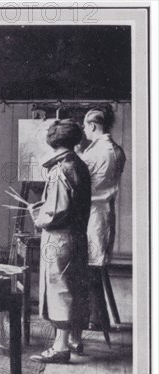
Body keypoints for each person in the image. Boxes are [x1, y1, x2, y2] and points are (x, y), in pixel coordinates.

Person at [29, 119, 91, 364]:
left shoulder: (61, 168)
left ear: (52, 141)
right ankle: (75, 339)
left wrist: (39, 217)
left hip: (60, 238)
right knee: (74, 286)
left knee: (60, 289)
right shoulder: (79, 164)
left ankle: (60, 347)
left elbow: (57, 212)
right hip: (77, 235)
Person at [80, 109, 126, 331]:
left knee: (91, 267)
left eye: (85, 125)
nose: (83, 130)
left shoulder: (96, 153)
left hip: (94, 214)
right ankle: (97, 317)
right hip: (103, 213)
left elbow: (81, 183)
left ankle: (97, 319)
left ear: (93, 125)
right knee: (94, 266)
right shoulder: (116, 150)